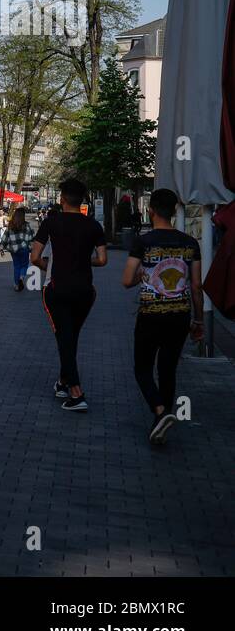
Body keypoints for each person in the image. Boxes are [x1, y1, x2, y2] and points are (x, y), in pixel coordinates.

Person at [122, 189, 203, 444]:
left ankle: (159, 411)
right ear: (175, 211)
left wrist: (142, 277)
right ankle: (163, 420)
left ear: (151, 211)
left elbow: (126, 281)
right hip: (180, 314)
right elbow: (196, 286)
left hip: (150, 315)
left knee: (142, 368)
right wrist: (198, 321)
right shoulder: (191, 243)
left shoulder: (144, 242)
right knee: (168, 369)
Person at [31, 178, 107, 413]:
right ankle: (63, 382)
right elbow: (103, 260)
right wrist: (83, 262)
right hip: (85, 290)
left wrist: (50, 267)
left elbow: (35, 257)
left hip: (57, 288)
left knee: (64, 337)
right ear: (82, 200)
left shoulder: (50, 222)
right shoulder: (94, 226)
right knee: (70, 336)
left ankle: (76, 392)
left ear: (62, 198)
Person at [0, 206, 34, 291]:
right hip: (24, 248)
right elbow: (31, 237)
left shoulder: (10, 225)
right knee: (24, 265)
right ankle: (22, 277)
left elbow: (5, 237)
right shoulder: (27, 225)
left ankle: (16, 285)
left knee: (16, 266)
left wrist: (1, 248)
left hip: (13, 249)